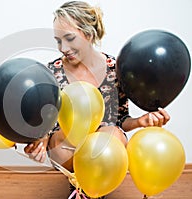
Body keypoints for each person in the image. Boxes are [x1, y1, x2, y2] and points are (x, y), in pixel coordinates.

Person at [24, 0, 170, 197]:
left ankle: (96, 185)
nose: (63, 48)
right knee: (60, 142)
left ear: (89, 33)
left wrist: (140, 122)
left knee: (113, 133)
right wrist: (40, 139)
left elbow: (120, 119)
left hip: (105, 148)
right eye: (58, 40)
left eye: (69, 38)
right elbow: (48, 120)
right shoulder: (52, 72)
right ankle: (81, 186)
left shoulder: (115, 70)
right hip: (68, 147)